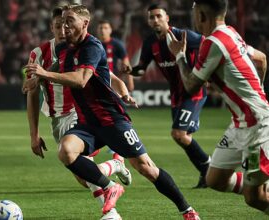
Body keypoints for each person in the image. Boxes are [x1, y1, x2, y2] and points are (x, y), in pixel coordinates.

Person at [26, 4, 200, 220]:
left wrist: (44, 74)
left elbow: (80, 80)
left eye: (70, 21)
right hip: (87, 123)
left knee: (147, 169)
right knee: (66, 151)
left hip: (112, 121)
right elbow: (56, 66)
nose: (65, 27)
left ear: (85, 23)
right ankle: (110, 187)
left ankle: (187, 210)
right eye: (62, 22)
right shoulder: (64, 49)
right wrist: (38, 77)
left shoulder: (93, 46)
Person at [23, 7, 134, 219]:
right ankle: (116, 165)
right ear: (52, 27)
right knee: (84, 178)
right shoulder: (38, 54)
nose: (63, 31)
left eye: (66, 25)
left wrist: (123, 91)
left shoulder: (80, 49)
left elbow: (106, 75)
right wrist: (33, 134)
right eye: (58, 26)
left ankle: (111, 213)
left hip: (78, 114)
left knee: (88, 172)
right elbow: (31, 94)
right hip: (56, 119)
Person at [167, 0, 269, 214]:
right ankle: (258, 181)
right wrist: (257, 90)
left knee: (254, 199)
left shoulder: (213, 42)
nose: (194, 17)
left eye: (195, 12)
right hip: (239, 125)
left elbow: (191, 86)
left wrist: (179, 55)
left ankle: (259, 185)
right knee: (214, 179)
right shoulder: (230, 33)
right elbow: (261, 59)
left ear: (202, 15)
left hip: (255, 129)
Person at [129, 4, 211, 188]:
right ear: (149, 21)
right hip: (176, 95)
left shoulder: (184, 36)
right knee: (183, 137)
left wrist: (204, 69)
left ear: (167, 18)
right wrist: (132, 70)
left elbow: (206, 42)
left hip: (193, 92)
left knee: (178, 134)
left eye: (159, 16)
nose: (155, 20)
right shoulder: (150, 42)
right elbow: (142, 68)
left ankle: (208, 168)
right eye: (152, 17)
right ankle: (206, 171)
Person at [97, 20, 134, 92]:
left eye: (105, 28)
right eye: (100, 28)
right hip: (98, 81)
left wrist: (130, 82)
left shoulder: (117, 44)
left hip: (114, 81)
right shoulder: (93, 44)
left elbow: (126, 64)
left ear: (110, 30)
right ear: (97, 30)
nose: (103, 30)